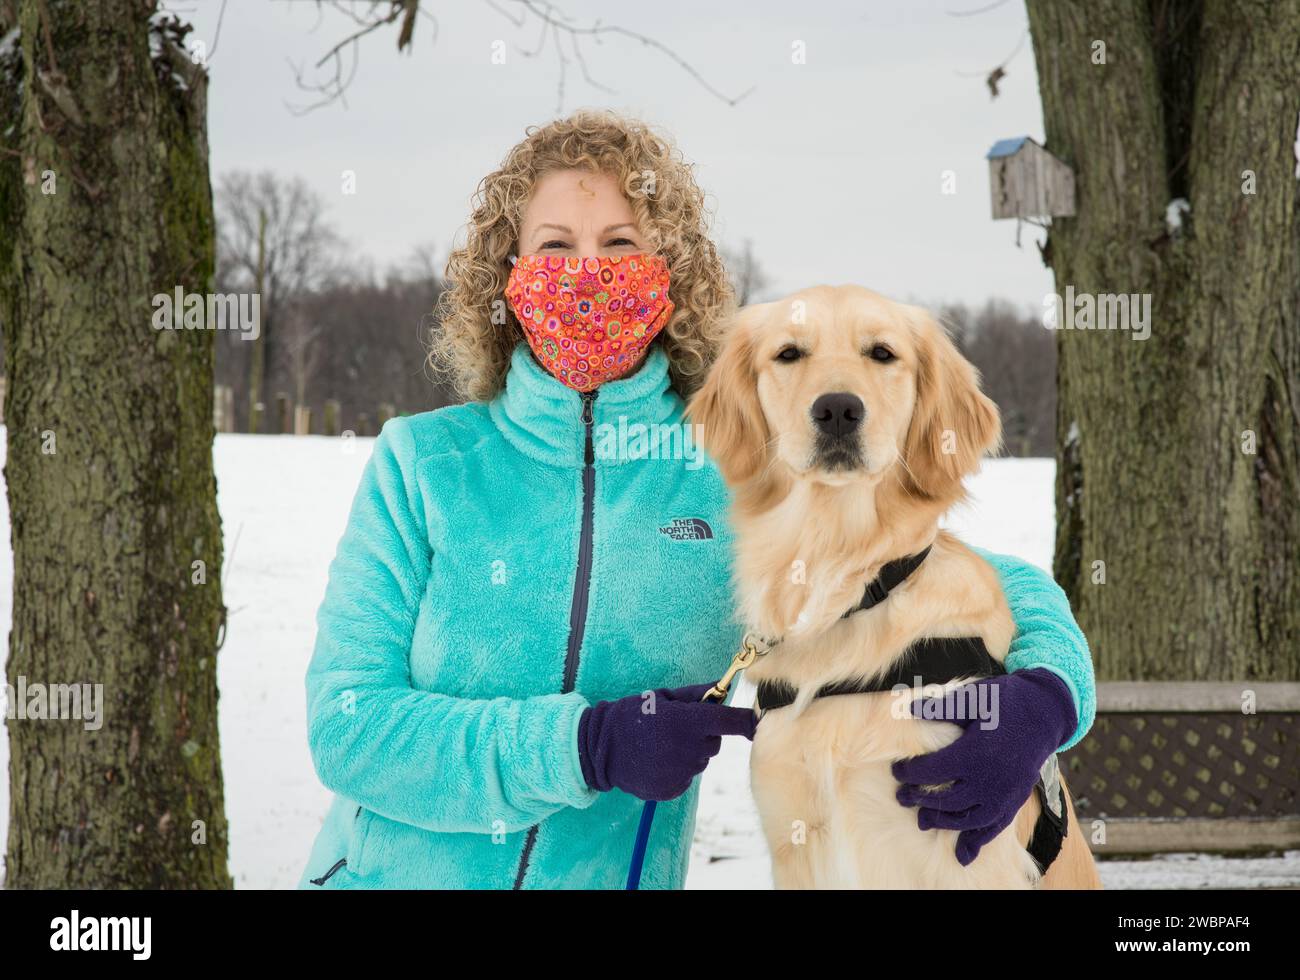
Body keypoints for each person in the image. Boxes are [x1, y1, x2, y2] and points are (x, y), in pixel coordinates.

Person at [296, 109, 1095, 889]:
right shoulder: (425, 463)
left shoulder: (740, 462)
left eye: (619, 245)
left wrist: (1044, 699)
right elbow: (349, 722)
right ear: (506, 275)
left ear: (667, 273)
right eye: (554, 247)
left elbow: (950, 573)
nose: (587, 273)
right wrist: (585, 745)